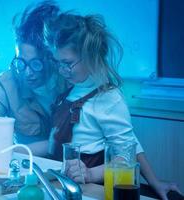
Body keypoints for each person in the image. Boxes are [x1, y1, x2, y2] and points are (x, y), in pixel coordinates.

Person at [44, 12, 182, 199]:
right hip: (63, 181)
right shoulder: (73, 87)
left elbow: (126, 154)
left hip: (92, 187)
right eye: (58, 63)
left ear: (90, 56)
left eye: (67, 63)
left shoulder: (109, 98)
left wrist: (90, 173)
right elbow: (131, 140)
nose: (62, 70)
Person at [0, 1, 67, 155]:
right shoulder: (7, 84)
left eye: (36, 64)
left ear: (52, 58)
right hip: (27, 171)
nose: (27, 72)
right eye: (21, 62)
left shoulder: (70, 79)